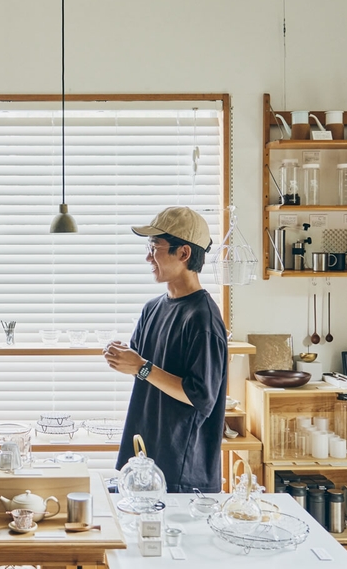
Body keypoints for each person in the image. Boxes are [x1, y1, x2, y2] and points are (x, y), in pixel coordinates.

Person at [104, 206, 228, 493]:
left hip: (181, 472)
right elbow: (143, 366)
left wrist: (141, 367)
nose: (148, 257)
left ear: (184, 253)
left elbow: (199, 397)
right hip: (145, 460)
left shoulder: (204, 319)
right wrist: (121, 356)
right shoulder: (153, 308)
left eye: (154, 247)